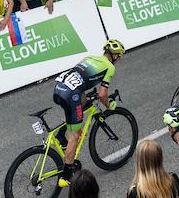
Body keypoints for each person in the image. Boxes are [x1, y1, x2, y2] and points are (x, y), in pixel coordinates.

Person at [51, 40, 127, 185]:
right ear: (115, 55)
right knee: (75, 135)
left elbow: (80, 80)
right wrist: (109, 105)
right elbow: (103, 94)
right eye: (119, 56)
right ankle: (66, 175)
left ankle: (61, 135)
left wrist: (89, 97)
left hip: (59, 89)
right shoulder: (109, 67)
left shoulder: (90, 58)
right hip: (71, 95)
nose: (119, 60)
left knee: (81, 104)